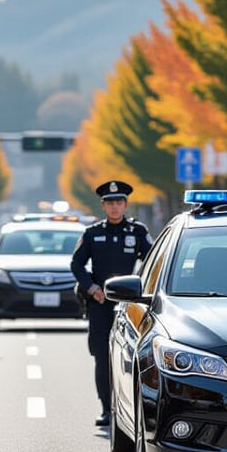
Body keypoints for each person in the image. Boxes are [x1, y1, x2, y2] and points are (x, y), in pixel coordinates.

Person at [71, 180, 153, 426]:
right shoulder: (93, 233)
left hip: (129, 304)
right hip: (100, 304)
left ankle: (130, 409)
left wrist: (142, 287)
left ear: (126, 204)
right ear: (103, 206)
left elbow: (151, 261)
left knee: (132, 356)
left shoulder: (137, 232)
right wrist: (92, 287)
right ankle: (107, 409)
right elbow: (77, 265)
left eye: (119, 202)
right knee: (102, 356)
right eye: (110, 203)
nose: (115, 207)